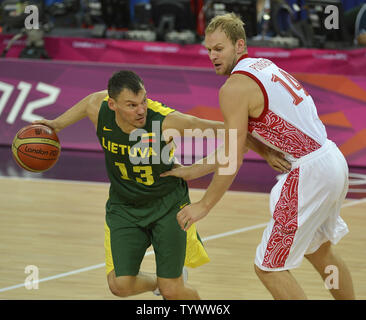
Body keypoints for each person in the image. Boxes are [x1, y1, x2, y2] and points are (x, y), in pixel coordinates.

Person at [33, 70, 288, 300]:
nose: (141, 109)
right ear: (112, 105)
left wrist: (264, 151)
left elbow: (228, 129)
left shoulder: (165, 121)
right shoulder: (97, 108)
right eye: (131, 105)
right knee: (119, 286)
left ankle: (169, 287)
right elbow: (88, 101)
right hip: (124, 207)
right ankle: (158, 284)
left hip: (167, 206)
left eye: (143, 101)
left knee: (174, 291)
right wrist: (56, 124)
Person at [161, 13, 355, 300]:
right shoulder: (263, 66)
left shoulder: (234, 88)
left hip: (309, 173)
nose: (212, 56)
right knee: (320, 251)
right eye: (209, 50)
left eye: (219, 49)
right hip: (331, 159)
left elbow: (233, 154)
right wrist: (194, 171)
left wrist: (205, 204)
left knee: (269, 268)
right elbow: (240, 140)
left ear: (239, 45)